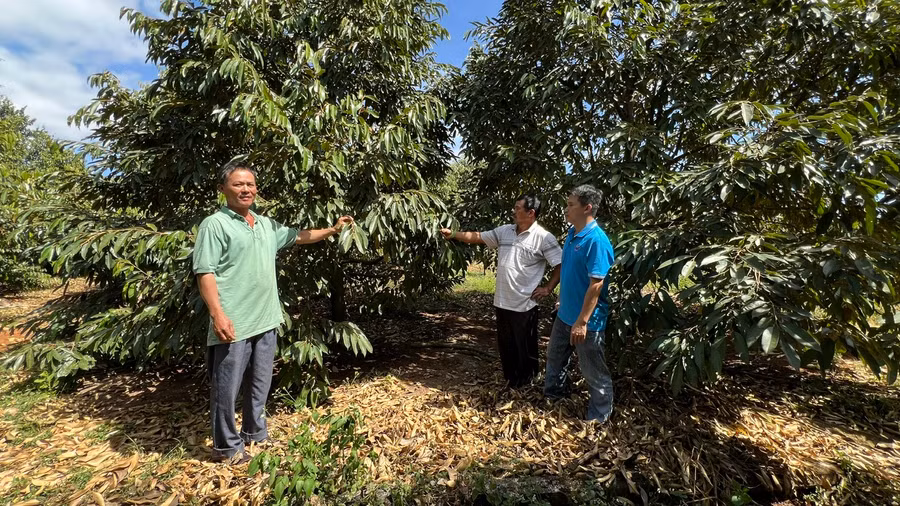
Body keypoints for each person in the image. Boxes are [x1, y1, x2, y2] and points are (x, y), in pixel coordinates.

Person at [193, 161, 353, 464]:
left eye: (250, 184)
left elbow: (300, 236)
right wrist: (217, 314)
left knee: (260, 382)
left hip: (266, 318)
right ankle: (227, 447)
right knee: (226, 388)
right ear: (222, 189)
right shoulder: (215, 224)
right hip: (234, 321)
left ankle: (254, 432)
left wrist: (333, 229)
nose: (245, 189)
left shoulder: (265, 224)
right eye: (238, 184)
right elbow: (205, 272)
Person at [441, 195, 562, 388]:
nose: (514, 211)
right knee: (506, 344)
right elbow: (479, 237)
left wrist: (548, 288)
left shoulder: (543, 237)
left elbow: (560, 264)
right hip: (503, 300)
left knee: (524, 346)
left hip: (524, 302)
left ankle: (528, 383)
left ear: (531, 213)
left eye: (518, 208)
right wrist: (454, 234)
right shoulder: (505, 231)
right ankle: (511, 381)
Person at [544, 184, 615, 422]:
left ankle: (599, 418)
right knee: (555, 358)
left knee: (593, 371)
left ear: (587, 208)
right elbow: (571, 273)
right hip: (565, 314)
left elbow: (596, 285)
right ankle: (554, 398)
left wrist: (582, 322)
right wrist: (561, 300)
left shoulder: (596, 240)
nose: (566, 209)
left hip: (587, 322)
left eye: (571, 205)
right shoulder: (573, 234)